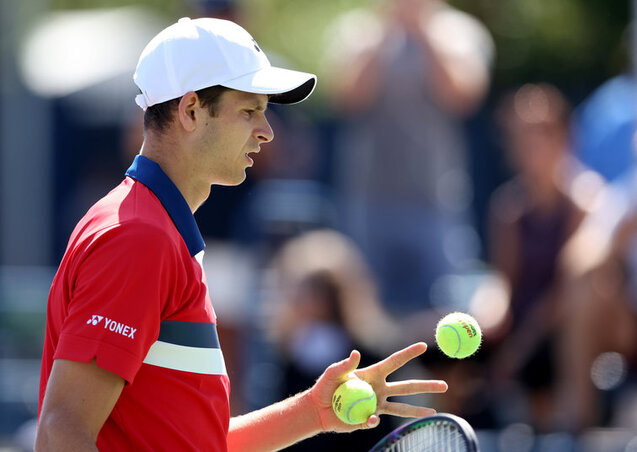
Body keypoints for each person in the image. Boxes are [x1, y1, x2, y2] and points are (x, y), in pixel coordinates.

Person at [35, 17, 447, 451]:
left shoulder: (152, 229)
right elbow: (62, 431)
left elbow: (197, 443)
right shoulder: (139, 237)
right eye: (250, 110)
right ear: (191, 110)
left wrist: (313, 412)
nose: (267, 131)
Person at [324, 0, 494, 315]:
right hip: (368, 202)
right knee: (364, 314)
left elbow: (464, 98)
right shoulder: (358, 31)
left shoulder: (458, 31)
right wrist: (387, 32)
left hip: (437, 202)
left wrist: (423, 32)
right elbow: (346, 99)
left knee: (449, 310)